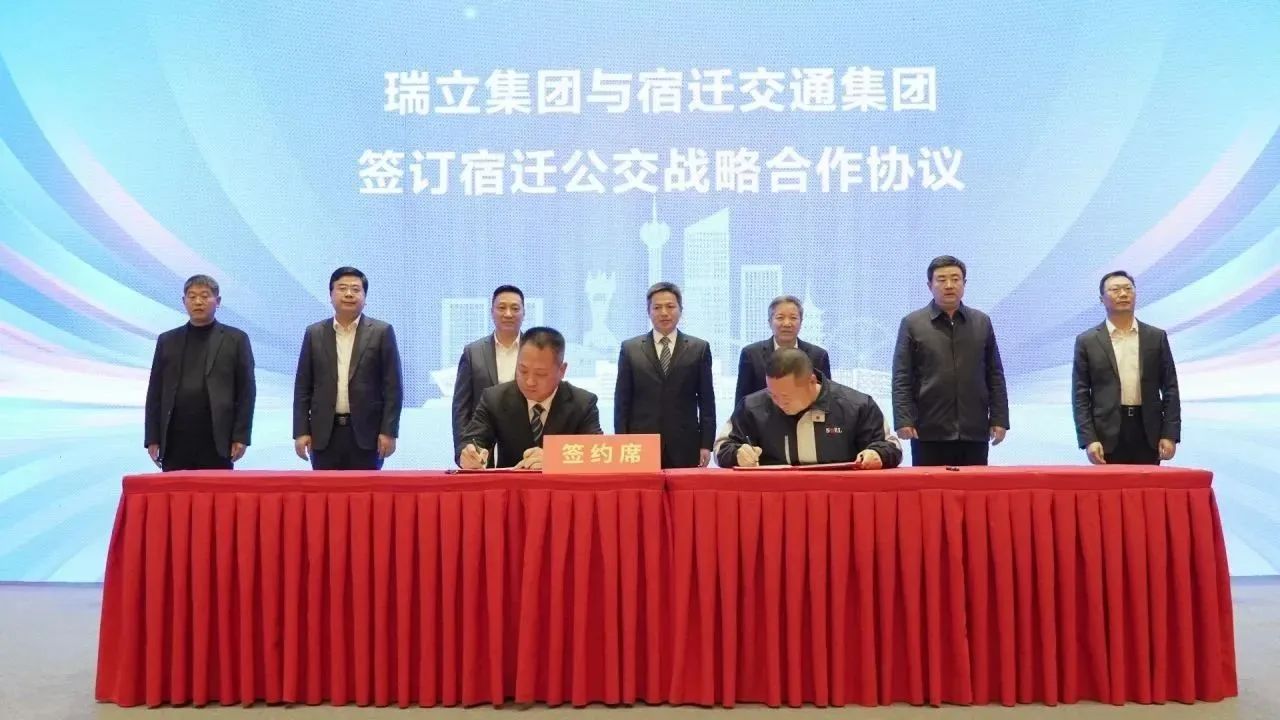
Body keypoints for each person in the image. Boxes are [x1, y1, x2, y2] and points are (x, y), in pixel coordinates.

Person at [892, 255, 1009, 466]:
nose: (949, 285)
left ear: (964, 283)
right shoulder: (913, 323)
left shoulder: (981, 322)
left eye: (955, 279)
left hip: (974, 429)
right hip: (928, 430)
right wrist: (903, 419)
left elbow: (995, 374)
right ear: (930, 285)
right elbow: (902, 376)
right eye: (941, 279)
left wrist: (999, 418)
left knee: (973, 486)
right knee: (929, 486)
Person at [293, 266, 403, 470]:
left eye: (356, 289)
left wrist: (389, 431)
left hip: (368, 435)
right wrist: (301, 431)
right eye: (342, 288)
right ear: (331, 295)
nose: (349, 294)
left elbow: (393, 388)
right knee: (325, 490)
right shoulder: (314, 333)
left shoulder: (381, 332)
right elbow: (302, 387)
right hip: (323, 435)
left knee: (365, 490)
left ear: (365, 297)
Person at [716, 348, 901, 468]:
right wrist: (737, 454)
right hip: (775, 500)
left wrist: (877, 454)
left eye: (786, 396)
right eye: (773, 395)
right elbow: (722, 448)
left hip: (838, 497)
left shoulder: (856, 405)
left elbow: (892, 447)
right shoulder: (752, 407)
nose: (779, 402)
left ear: (812, 381)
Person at [144, 274, 256, 471]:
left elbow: (246, 391)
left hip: (217, 437)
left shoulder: (236, 339)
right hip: (175, 437)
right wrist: (152, 437)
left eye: (205, 296)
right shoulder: (167, 340)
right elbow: (155, 392)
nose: (198, 302)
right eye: (192, 296)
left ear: (217, 301)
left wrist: (241, 436)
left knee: (215, 490)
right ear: (184, 301)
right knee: (176, 490)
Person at [1072, 270, 1181, 465]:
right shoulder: (1087, 341)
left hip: (1148, 432)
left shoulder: (1155, 337)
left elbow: (1170, 388)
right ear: (1101, 299)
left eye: (1128, 289)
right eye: (1115, 290)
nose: (1123, 294)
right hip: (1106, 434)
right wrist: (1089, 439)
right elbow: (1080, 395)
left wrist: (1170, 434)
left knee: (1148, 484)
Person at [458, 327, 602, 469]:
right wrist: (469, 456)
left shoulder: (583, 403)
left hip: (562, 484)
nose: (529, 381)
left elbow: (599, 455)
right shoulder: (495, 399)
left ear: (562, 370)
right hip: (511, 484)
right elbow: (471, 441)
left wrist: (555, 459)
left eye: (540, 374)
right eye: (523, 370)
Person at [614, 282, 715, 468]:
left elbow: (706, 401)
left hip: (685, 443)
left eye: (670, 306)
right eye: (657, 307)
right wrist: (621, 441)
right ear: (648, 311)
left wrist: (706, 444)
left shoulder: (699, 348)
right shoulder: (630, 349)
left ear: (680, 310)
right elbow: (622, 402)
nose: (664, 313)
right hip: (641, 443)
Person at [452, 285, 525, 460]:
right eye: (502, 307)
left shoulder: (536, 350)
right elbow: (461, 407)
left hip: (527, 446)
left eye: (515, 308)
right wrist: (462, 450)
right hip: (482, 447)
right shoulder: (473, 352)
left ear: (524, 313)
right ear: (492, 312)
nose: (508, 314)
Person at [734, 294, 832, 408]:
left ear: (801, 322)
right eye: (780, 318)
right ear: (770, 322)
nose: (787, 323)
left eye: (793, 318)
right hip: (763, 418)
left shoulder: (818, 356)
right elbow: (742, 402)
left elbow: (825, 399)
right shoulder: (751, 354)